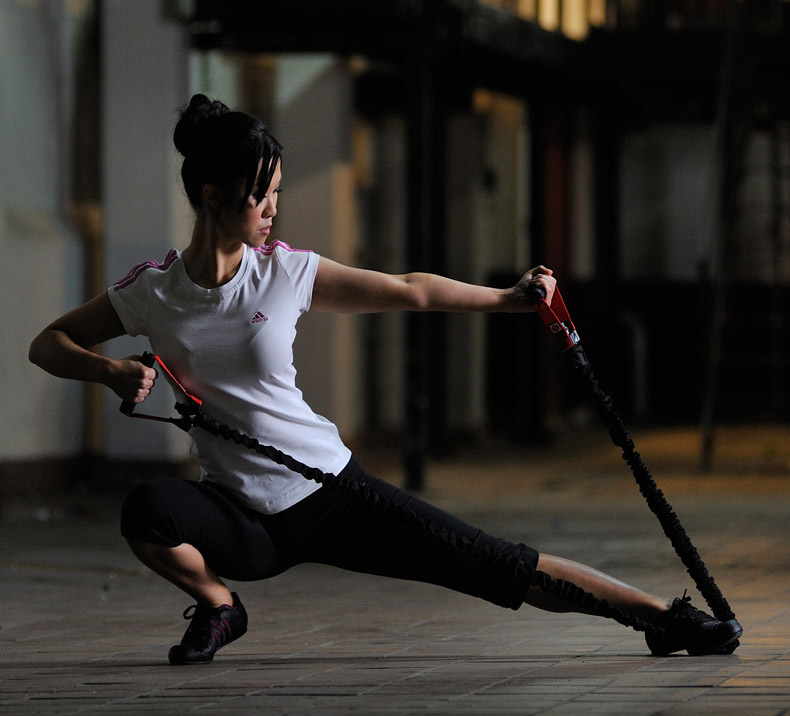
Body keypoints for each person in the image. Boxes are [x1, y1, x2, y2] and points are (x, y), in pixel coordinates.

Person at [29, 94, 741, 665]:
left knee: (490, 562)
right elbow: (48, 344)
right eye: (260, 195)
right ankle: (220, 606)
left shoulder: (284, 273)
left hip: (333, 493)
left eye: (277, 192)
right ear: (213, 196)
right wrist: (108, 370)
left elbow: (409, 289)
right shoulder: (153, 293)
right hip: (244, 517)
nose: (274, 209)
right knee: (147, 510)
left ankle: (661, 618)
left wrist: (508, 299)